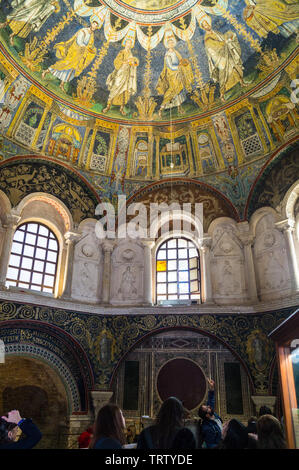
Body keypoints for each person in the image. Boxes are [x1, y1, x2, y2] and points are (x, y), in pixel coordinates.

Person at [42, 20, 99, 91]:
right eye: (94, 24)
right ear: (91, 24)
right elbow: (79, 41)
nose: (94, 27)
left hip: (80, 55)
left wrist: (92, 50)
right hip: (74, 51)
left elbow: (90, 45)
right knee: (65, 64)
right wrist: (84, 46)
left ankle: (62, 84)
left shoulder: (92, 35)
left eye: (96, 26)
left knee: (71, 70)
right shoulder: (83, 31)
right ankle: (46, 71)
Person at [200, 17, 246, 101]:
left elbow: (222, 37)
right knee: (223, 75)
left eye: (207, 23)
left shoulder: (215, 32)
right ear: (203, 27)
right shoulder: (207, 38)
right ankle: (222, 95)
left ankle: (242, 82)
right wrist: (224, 42)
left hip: (226, 52)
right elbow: (214, 46)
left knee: (235, 66)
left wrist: (229, 37)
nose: (207, 25)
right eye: (205, 25)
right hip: (219, 58)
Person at [156, 33, 194, 117]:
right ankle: (161, 108)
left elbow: (180, 60)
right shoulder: (167, 55)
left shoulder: (176, 52)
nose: (171, 44)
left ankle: (179, 107)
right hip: (172, 74)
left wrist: (185, 63)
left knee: (179, 90)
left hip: (178, 72)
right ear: (167, 45)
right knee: (172, 90)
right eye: (169, 43)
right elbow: (170, 66)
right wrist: (179, 66)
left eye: (172, 42)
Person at [103, 37, 139, 116]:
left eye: (130, 44)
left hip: (127, 75)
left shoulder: (131, 54)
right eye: (128, 43)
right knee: (115, 88)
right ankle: (108, 106)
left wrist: (133, 63)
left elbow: (134, 63)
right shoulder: (122, 52)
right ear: (125, 44)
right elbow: (117, 61)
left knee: (125, 92)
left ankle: (121, 108)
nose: (129, 45)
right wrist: (126, 62)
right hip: (120, 73)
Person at [197, 378, 222, 448]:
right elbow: (211, 445)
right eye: (207, 408)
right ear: (207, 415)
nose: (209, 406)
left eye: (207, 406)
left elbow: (211, 399)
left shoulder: (213, 415)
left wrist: (211, 388)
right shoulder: (207, 428)